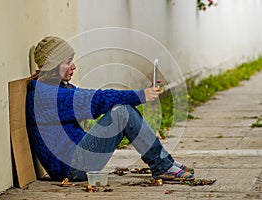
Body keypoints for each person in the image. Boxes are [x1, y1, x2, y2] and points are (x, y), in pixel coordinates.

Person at [26, 36, 195, 182]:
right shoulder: (45, 95)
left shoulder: (59, 88)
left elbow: (93, 97)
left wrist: (141, 93)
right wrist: (140, 96)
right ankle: (162, 165)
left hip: (75, 158)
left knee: (122, 110)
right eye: (68, 62)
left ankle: (164, 162)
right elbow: (96, 100)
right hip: (70, 168)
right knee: (122, 112)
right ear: (53, 65)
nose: (74, 66)